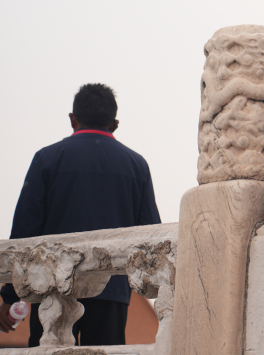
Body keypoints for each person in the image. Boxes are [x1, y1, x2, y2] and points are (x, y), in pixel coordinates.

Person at [0, 83, 161, 346]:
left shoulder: (46, 159)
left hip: (51, 288)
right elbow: (150, 233)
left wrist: (9, 295)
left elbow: (25, 230)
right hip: (111, 292)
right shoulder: (137, 165)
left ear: (72, 119)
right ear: (115, 124)